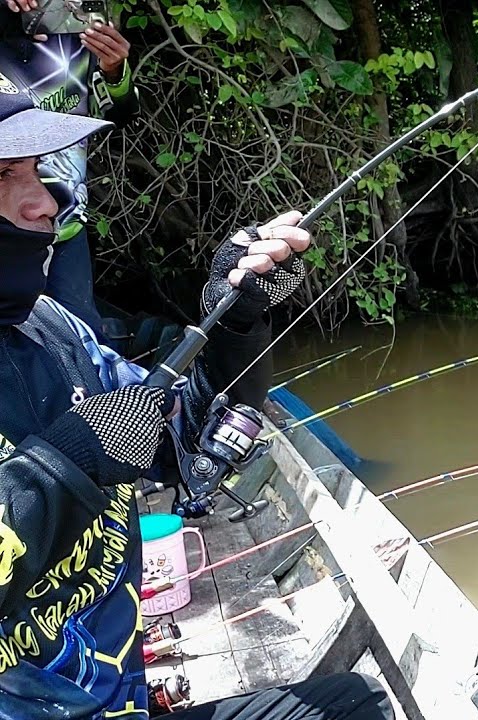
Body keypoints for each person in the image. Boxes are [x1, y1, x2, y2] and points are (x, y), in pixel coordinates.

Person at [0, 73, 393, 719]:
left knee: (359, 704)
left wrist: (235, 325)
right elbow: (87, 453)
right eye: (2, 175)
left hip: (120, 704)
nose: (43, 202)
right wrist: (64, 467)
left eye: (37, 170)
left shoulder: (52, 327)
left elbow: (186, 444)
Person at [0, 0, 141, 333]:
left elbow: (122, 114)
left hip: (66, 224)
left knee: (80, 340)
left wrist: (115, 69)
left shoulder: (80, 35)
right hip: (8, 232)